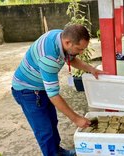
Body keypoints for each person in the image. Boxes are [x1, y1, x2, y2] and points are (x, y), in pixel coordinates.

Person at [11, 24, 105, 156]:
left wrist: (91, 69)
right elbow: (54, 95)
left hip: (41, 86)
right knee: (44, 131)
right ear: (67, 42)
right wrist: (76, 118)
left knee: (52, 122)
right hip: (27, 90)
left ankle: (58, 151)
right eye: (79, 49)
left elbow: (70, 58)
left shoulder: (60, 36)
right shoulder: (49, 58)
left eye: (84, 49)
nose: (82, 52)